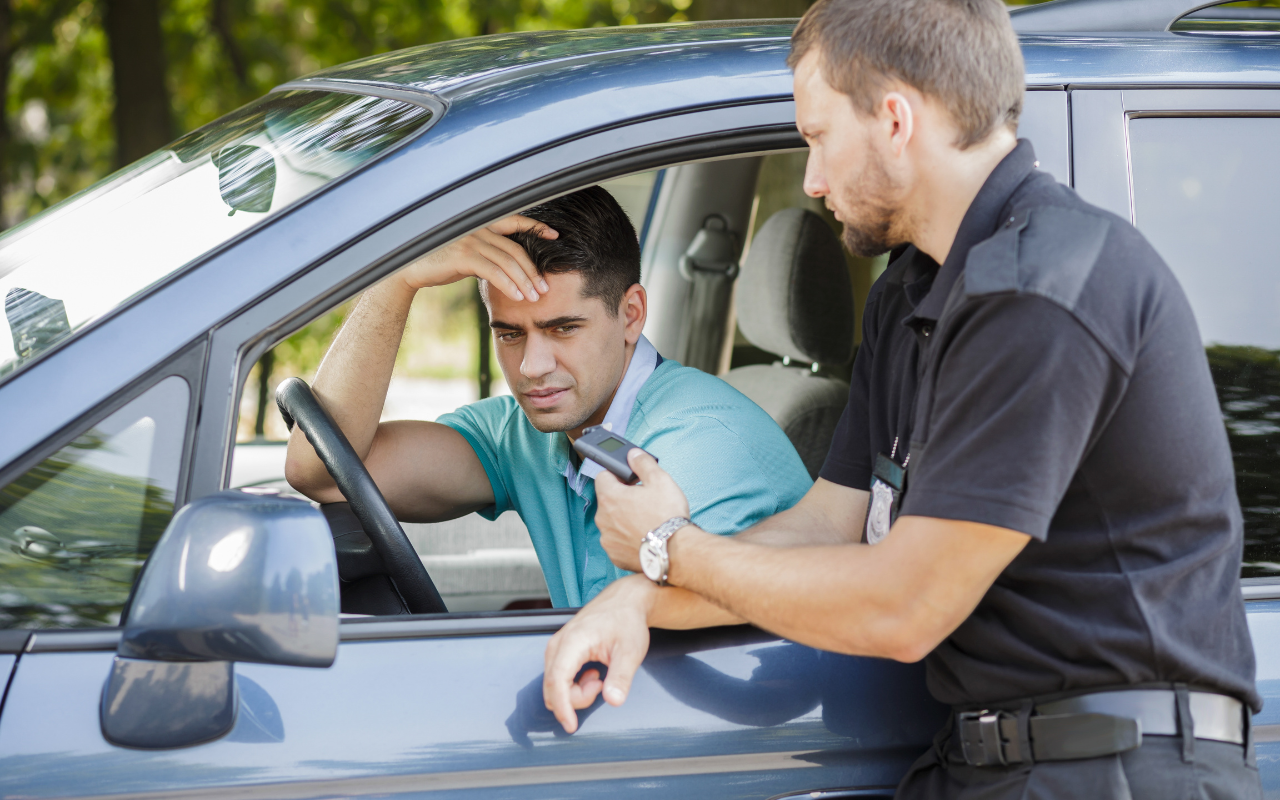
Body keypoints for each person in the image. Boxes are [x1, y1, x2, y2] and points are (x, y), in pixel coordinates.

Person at [540, 1, 1261, 797]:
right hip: (983, 758)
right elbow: (826, 525)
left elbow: (905, 608)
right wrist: (639, 598)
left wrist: (670, 547)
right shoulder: (911, 293)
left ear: (894, 119)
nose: (811, 179)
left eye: (817, 137)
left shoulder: (1041, 289)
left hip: (1112, 769)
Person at [283, 186, 812, 608]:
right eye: (510, 333)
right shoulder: (529, 430)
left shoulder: (703, 448)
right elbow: (323, 471)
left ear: (630, 315)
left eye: (563, 329)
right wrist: (396, 281)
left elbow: (655, 667)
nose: (532, 369)